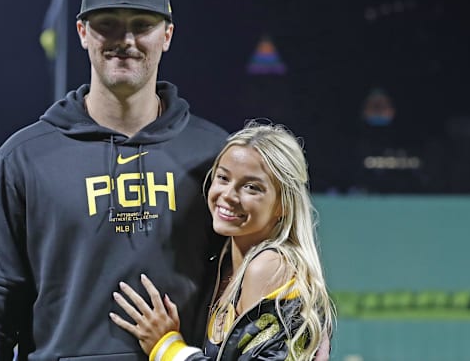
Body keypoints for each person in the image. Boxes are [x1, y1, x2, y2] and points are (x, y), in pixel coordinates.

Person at [0, 0, 229, 361]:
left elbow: (244, 279)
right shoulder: (25, 158)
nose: (126, 39)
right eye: (108, 24)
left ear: (166, 35)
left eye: (142, 24)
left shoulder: (215, 154)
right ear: (83, 32)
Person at [110, 122, 335, 361]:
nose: (228, 195)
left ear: (284, 204)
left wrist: (167, 347)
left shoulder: (268, 266)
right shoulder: (225, 261)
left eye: (251, 187)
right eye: (223, 178)